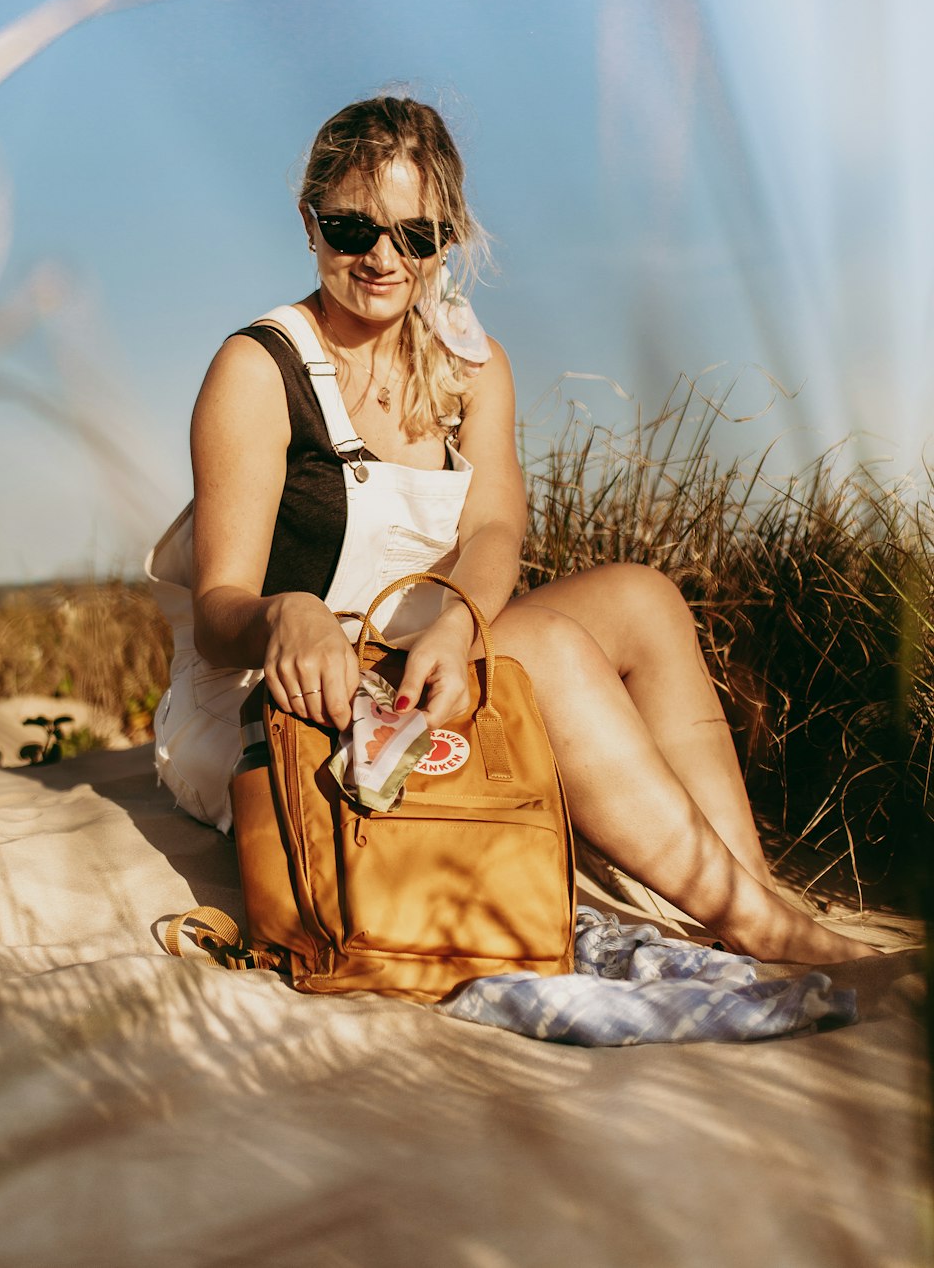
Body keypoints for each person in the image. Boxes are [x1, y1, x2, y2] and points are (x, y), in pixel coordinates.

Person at [153, 94, 871, 966]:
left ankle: (750, 890)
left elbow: (496, 527)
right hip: (276, 700)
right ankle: (761, 930)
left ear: (445, 242)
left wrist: (461, 624)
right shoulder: (258, 368)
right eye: (353, 230)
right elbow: (221, 608)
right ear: (310, 222)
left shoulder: (471, 363)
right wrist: (282, 612)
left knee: (643, 598)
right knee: (551, 649)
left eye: (413, 236)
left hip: (416, 654)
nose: (383, 258)